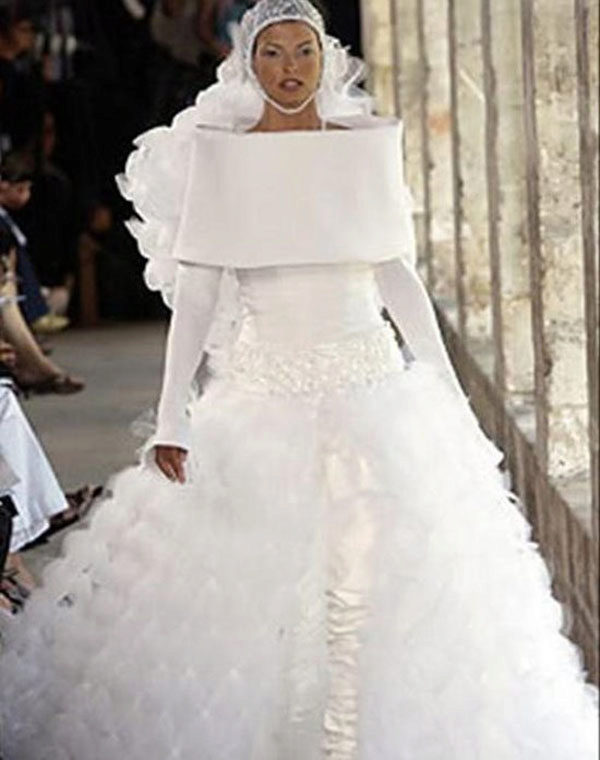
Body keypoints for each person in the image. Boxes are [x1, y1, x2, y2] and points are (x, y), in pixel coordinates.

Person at [1, 1, 598, 757]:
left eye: (304, 51)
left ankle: (347, 738)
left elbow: (398, 277)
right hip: (261, 398)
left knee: (372, 572)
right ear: (247, 64)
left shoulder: (363, 146)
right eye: (273, 53)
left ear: (327, 58)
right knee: (259, 585)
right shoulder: (225, 156)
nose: (290, 68)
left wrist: (449, 399)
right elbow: (200, 294)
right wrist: (172, 416)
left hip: (371, 389)